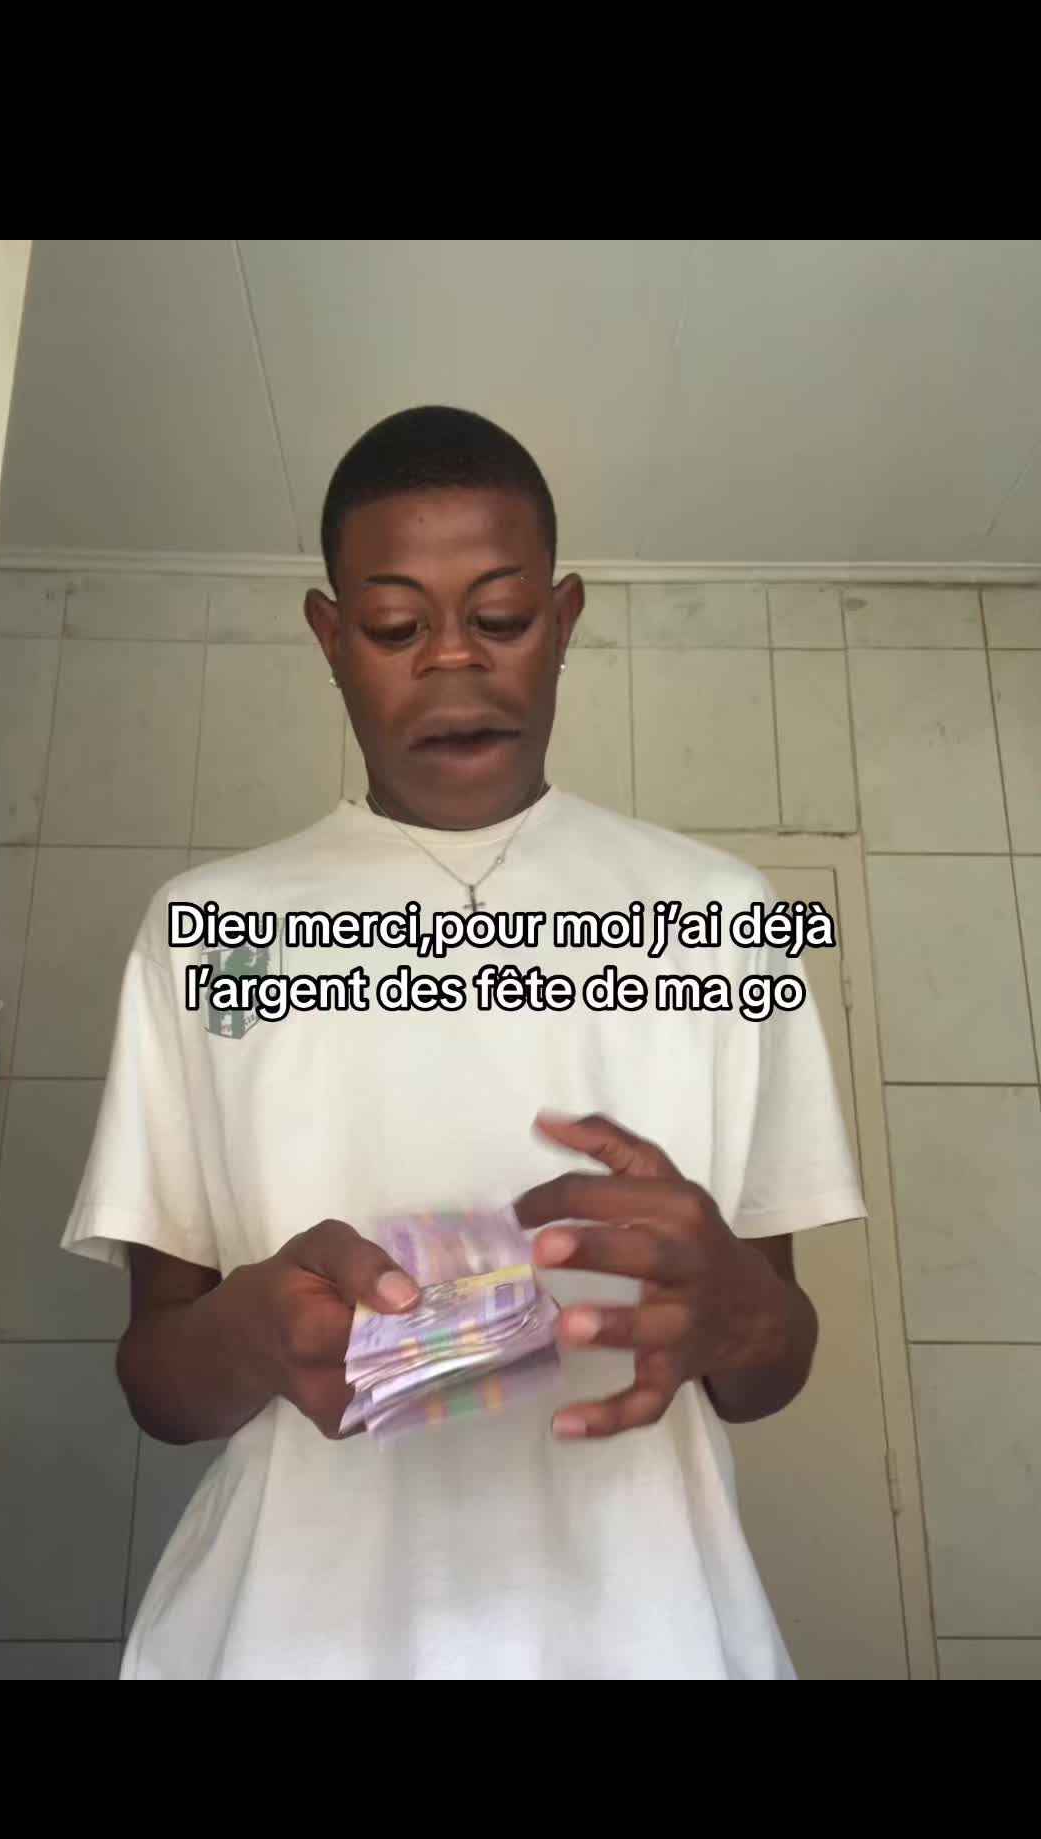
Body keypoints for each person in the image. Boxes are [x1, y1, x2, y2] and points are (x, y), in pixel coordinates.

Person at [62, 404, 864, 1680]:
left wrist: (736, 1318)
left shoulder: (722, 917)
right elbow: (158, 1383)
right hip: (291, 1638)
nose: (452, 661)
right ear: (331, 639)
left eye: (500, 617)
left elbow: (769, 1363)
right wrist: (250, 1332)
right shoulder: (207, 929)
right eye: (396, 627)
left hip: (649, 1633)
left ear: (566, 620)